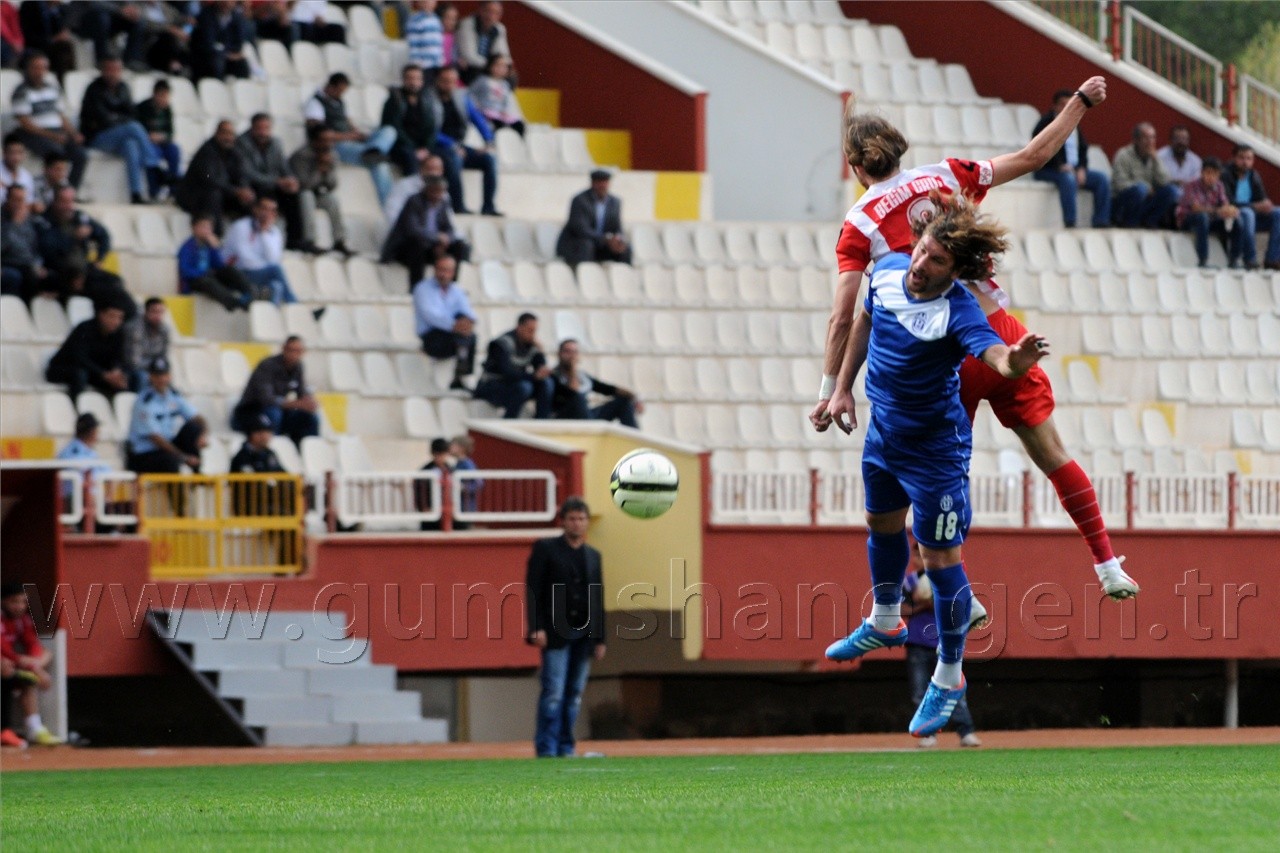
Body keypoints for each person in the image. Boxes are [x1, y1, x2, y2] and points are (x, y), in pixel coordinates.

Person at [814, 79, 1138, 604]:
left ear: (855, 167)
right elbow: (1035, 155)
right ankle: (1106, 564)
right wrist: (1079, 102)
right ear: (900, 149)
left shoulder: (859, 223)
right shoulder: (945, 174)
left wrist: (832, 387)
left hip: (944, 357)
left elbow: (843, 316)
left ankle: (959, 592)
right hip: (999, 336)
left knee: (936, 474)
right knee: (1053, 455)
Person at [823, 197, 1049, 738]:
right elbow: (865, 321)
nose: (922, 264)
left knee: (942, 561)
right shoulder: (886, 270)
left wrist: (1018, 360)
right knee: (880, 525)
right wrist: (841, 390)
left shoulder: (959, 310)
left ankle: (949, 677)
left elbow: (996, 358)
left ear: (958, 271)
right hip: (884, 435)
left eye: (938, 261)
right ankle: (884, 620)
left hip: (936, 452)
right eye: (922, 250)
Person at [525, 496, 605, 758]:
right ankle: (547, 748)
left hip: (584, 632)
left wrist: (600, 637)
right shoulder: (546, 549)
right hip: (556, 629)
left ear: (586, 523)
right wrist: (536, 627)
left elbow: (597, 596)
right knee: (554, 692)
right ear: (563, 521)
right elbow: (533, 589)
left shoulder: (593, 556)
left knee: (574, 694)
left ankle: (566, 746)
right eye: (572, 518)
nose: (577, 523)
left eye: (581, 519)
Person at [902, 552, 980, 749]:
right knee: (920, 691)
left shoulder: (946, 576)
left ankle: (966, 731)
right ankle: (928, 733)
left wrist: (936, 602)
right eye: (917, 557)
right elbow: (899, 608)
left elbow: (958, 603)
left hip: (945, 641)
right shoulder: (911, 581)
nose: (920, 560)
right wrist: (921, 605)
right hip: (918, 641)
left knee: (954, 688)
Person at [80, 55, 162, 205]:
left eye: (116, 70)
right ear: (103, 70)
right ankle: (154, 166)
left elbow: (132, 114)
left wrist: (118, 119)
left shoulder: (123, 88)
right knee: (134, 128)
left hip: (119, 135)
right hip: (97, 137)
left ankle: (135, 194)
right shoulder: (94, 89)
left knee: (131, 145)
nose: (113, 73)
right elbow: (103, 119)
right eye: (109, 69)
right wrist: (121, 120)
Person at [303, 73, 396, 205]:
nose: (341, 94)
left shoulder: (339, 101)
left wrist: (359, 135)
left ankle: (375, 150)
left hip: (352, 141)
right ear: (330, 87)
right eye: (340, 91)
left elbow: (350, 124)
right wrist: (348, 136)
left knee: (389, 131)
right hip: (336, 146)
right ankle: (389, 204)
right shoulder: (315, 103)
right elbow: (320, 135)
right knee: (380, 164)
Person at [37, 186, 133, 313]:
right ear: (55, 201)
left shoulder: (79, 217)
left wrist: (100, 258)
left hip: (84, 270)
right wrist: (73, 238)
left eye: (71, 201)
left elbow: (104, 235)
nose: (69, 206)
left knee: (114, 281)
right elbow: (48, 249)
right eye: (64, 201)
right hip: (58, 271)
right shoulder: (44, 221)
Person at [1030, 88, 1111, 228]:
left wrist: (1081, 169)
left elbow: (1082, 149)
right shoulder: (1045, 124)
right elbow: (1039, 149)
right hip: (1049, 170)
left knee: (1101, 179)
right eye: (1062, 104)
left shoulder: (1074, 122)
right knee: (1068, 179)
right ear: (1054, 106)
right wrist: (1060, 165)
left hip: (1073, 169)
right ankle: (1070, 221)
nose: (1065, 108)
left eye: (1068, 104)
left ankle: (1101, 220)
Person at [10, 51, 86, 189]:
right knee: (56, 154)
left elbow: (61, 116)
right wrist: (53, 136)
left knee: (80, 154)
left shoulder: (52, 88)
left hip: (56, 132)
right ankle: (54, 191)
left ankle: (69, 191)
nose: (39, 72)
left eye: (42, 68)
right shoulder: (21, 91)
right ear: (28, 69)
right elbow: (26, 124)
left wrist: (73, 133)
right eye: (35, 68)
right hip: (33, 134)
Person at [431, 65, 500, 216]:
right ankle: (457, 205)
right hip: (435, 146)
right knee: (455, 159)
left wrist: (488, 142)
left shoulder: (462, 98)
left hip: (458, 146)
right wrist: (452, 145)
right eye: (444, 81)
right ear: (437, 81)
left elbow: (478, 120)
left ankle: (488, 206)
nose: (448, 85)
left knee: (489, 160)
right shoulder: (429, 99)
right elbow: (430, 130)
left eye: (452, 81)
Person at [1, 581, 64, 746]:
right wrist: (26, 663)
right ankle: (3, 730)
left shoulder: (23, 620)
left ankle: (34, 728)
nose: (20, 606)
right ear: (3, 601)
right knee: (3, 665)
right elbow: (4, 648)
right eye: (15, 601)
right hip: (6, 664)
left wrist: (35, 665)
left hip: (12, 666)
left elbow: (32, 644)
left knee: (33, 671)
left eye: (23, 602)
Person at [232, 336, 321, 448]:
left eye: (298, 351)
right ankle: (272, 450)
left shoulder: (298, 367)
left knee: (310, 417)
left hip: (277, 412)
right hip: (251, 412)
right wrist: (298, 403)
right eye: (291, 350)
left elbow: (301, 393)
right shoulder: (267, 365)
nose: (294, 354)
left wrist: (309, 402)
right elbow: (266, 399)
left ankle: (308, 451)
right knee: (273, 413)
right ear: (284, 349)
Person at [383, 176, 470, 287]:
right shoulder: (414, 201)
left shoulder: (442, 203)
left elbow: (450, 229)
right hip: (407, 249)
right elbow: (413, 230)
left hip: (432, 247)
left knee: (459, 245)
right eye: (435, 191)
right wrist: (436, 238)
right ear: (427, 190)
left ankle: (450, 286)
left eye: (441, 192)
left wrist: (445, 240)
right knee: (417, 244)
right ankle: (416, 287)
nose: (438, 195)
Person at [236, 114, 306, 251]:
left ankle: (295, 240)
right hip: (251, 186)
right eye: (259, 128)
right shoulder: (241, 144)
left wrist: (291, 180)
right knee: (253, 198)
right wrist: (277, 181)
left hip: (271, 186)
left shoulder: (276, 143)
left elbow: (283, 167)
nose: (263, 132)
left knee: (293, 195)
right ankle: (253, 240)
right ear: (252, 128)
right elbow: (246, 173)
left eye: (266, 128)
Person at [126, 357, 207, 474]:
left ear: (169, 375)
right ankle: (178, 492)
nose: (162, 379)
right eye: (157, 376)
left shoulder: (173, 396)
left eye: (164, 375)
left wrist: (203, 435)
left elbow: (197, 418)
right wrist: (183, 457)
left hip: (165, 448)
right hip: (144, 454)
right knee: (170, 460)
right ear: (151, 377)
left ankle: (198, 475)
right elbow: (156, 439)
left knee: (193, 429)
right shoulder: (143, 402)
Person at [177, 121, 254, 235]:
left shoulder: (235, 152)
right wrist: (236, 191)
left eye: (231, 134)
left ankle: (249, 236)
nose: (228, 137)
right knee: (214, 195)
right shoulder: (207, 151)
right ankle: (217, 235)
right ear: (217, 133)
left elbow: (241, 175)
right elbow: (210, 179)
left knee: (250, 198)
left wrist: (244, 189)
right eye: (225, 133)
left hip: (223, 194)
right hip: (196, 196)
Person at [44, 298, 129, 400]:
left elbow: (118, 357)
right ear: (101, 314)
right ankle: (77, 408)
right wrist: (103, 374)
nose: (116, 321)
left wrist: (116, 371)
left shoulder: (118, 334)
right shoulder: (84, 328)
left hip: (94, 372)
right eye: (112, 316)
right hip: (64, 368)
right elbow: (79, 358)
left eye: (119, 317)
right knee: (80, 375)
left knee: (124, 379)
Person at [412, 255, 476, 390]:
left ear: (453, 272)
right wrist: (454, 326)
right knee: (464, 338)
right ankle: (459, 375)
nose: (443, 274)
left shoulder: (457, 291)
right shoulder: (422, 289)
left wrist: (466, 323)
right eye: (441, 269)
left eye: (447, 270)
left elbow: (468, 312)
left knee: (470, 336)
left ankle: (461, 376)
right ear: (435, 270)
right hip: (432, 336)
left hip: (453, 334)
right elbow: (430, 316)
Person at [223, 196, 301, 306]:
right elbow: (245, 260)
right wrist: (267, 269)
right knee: (275, 270)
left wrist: (264, 233)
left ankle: (273, 319)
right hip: (236, 273)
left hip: (258, 275)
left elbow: (273, 259)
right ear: (256, 209)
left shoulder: (274, 232)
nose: (268, 213)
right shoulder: (241, 227)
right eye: (265, 208)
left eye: (272, 210)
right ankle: (295, 306)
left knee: (276, 286)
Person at [474, 312, 553, 419]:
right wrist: (533, 377)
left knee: (547, 383)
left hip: (515, 386)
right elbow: (506, 372)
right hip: (492, 386)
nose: (533, 334)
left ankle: (541, 421)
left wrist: (540, 353)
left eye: (534, 331)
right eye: (530, 330)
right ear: (519, 327)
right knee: (525, 387)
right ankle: (509, 420)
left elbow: (540, 370)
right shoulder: (501, 344)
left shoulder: (531, 345)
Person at [289, 125, 351, 257]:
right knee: (307, 196)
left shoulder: (332, 155)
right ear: (315, 141)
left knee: (332, 200)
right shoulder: (301, 155)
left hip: (316, 192)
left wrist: (327, 170)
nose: (328, 144)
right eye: (325, 140)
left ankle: (339, 240)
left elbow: (332, 185)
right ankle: (309, 240)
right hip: (296, 196)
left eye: (331, 140)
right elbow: (303, 184)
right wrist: (319, 168)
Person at [551, 338, 642, 428]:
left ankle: (637, 440)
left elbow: (608, 389)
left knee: (624, 402)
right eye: (567, 352)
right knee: (579, 398)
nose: (572, 356)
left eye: (575, 352)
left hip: (587, 418)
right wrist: (572, 369)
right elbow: (574, 392)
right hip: (565, 418)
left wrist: (634, 397)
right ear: (559, 354)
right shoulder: (553, 376)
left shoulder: (583, 377)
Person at [177, 214, 257, 311]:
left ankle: (250, 292)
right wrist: (203, 273)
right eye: (203, 226)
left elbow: (219, 265)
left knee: (229, 270)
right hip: (195, 281)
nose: (207, 230)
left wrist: (215, 248)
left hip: (209, 276)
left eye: (209, 227)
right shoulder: (187, 247)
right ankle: (233, 303)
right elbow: (185, 271)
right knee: (207, 281)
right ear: (194, 227)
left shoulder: (208, 245)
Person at [1222, 144, 1280, 271]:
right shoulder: (1225, 174)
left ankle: (1272, 259)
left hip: (1254, 215)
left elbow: (1261, 197)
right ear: (1234, 158)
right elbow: (1227, 201)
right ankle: (1250, 259)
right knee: (1248, 213)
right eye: (1241, 158)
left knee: (1278, 213)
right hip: (1233, 216)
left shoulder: (1254, 175)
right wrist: (1255, 206)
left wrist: (1266, 204)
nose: (1245, 162)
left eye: (1249, 159)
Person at [556, 170, 631, 266]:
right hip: (577, 245)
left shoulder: (615, 202)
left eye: (605, 182)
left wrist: (617, 239)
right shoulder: (580, 200)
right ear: (593, 183)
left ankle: (624, 278)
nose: (603, 186)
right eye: (600, 182)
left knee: (624, 248)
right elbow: (580, 229)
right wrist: (606, 239)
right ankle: (585, 276)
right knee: (587, 245)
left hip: (601, 245)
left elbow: (617, 227)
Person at [1176, 157, 1240, 268]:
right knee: (1202, 217)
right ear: (1202, 172)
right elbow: (1195, 208)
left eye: (1215, 174)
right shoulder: (1191, 185)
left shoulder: (1219, 186)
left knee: (1237, 221)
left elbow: (1224, 204)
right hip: (1188, 220)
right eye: (1208, 173)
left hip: (1209, 220)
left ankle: (1234, 260)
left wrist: (1229, 211)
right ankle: (1203, 260)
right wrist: (1218, 211)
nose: (1211, 177)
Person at [1110, 122, 1177, 228]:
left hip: (1145, 200)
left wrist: (1156, 160)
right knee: (1140, 190)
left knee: (1172, 191)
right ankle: (1129, 222)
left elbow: (1164, 182)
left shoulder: (1155, 157)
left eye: (1153, 138)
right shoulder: (1123, 155)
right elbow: (1119, 183)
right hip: (1124, 202)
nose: (1150, 142)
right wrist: (1145, 188)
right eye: (1146, 138)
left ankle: (1150, 221)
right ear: (1136, 140)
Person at [381, 63, 441, 177]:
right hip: (401, 147)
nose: (413, 82)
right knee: (410, 157)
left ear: (422, 81)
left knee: (449, 157)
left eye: (417, 78)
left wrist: (426, 148)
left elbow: (432, 127)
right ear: (403, 80)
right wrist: (414, 149)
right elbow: (394, 127)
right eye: (409, 78)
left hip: (422, 147)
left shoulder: (427, 100)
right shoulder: (394, 100)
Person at [135, 80, 182, 200]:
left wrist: (162, 137)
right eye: (162, 95)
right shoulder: (142, 108)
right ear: (155, 94)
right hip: (147, 143)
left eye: (166, 96)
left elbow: (170, 132)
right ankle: (154, 191)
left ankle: (174, 190)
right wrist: (149, 136)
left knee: (174, 150)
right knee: (151, 154)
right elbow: (139, 130)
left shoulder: (167, 110)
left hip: (163, 143)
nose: (164, 99)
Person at [1, 186, 50, 301]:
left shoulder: (27, 220)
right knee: (15, 276)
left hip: (27, 264)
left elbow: (33, 247)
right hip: (7, 262)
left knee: (48, 276)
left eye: (22, 200)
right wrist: (14, 225)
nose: (19, 204)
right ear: (8, 199)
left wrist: (38, 263)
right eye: (16, 200)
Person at [191, 0, 251, 81]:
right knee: (217, 61)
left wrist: (229, 53)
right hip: (206, 56)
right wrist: (225, 53)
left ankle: (242, 90)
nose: (226, 3)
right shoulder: (206, 15)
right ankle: (216, 87)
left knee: (242, 63)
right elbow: (208, 43)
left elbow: (238, 44)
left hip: (228, 55)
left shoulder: (237, 18)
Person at [456, 0, 511, 85]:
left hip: (489, 67)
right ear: (480, 10)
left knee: (511, 77)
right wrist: (492, 67)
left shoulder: (499, 29)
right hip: (468, 68)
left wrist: (504, 67)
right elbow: (469, 56)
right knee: (475, 73)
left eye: (496, 13)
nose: (491, 16)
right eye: (489, 11)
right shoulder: (467, 24)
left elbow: (503, 54)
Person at [469, 54, 524, 137]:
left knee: (519, 125)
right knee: (497, 126)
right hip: (486, 112)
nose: (501, 69)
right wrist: (477, 107)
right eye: (498, 65)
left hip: (500, 113)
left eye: (504, 66)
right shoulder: (482, 80)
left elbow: (506, 101)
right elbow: (470, 95)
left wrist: (505, 111)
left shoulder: (505, 84)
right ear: (490, 66)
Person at [123, 297, 171, 392]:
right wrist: (154, 368)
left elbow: (164, 357)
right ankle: (143, 405)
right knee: (144, 378)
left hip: (154, 370)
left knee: (170, 384)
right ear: (146, 312)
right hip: (131, 370)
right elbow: (134, 362)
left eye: (161, 312)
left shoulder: (164, 330)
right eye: (154, 312)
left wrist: (161, 372)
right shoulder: (135, 329)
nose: (158, 316)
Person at [385, 153, 447, 225]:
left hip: (431, 234)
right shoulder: (404, 185)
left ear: (442, 172)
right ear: (421, 169)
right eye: (429, 169)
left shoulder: (443, 192)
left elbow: (448, 220)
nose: (433, 173)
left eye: (437, 170)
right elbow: (391, 212)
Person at [417, 436, 454, 531]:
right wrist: (424, 508)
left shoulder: (452, 470)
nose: (441, 458)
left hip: (448, 513)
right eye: (438, 454)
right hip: (431, 512)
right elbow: (419, 491)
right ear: (433, 454)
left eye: (443, 454)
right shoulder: (424, 471)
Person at [1155, 125, 1201, 199]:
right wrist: (1173, 183)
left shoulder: (1196, 161)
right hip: (1164, 198)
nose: (1181, 142)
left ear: (1188, 141)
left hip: (1188, 201)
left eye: (1184, 139)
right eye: (1177, 138)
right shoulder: (1160, 156)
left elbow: (1197, 185)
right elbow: (1156, 180)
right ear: (1170, 140)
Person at [405, 0, 445, 81]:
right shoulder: (415, 20)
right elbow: (413, 44)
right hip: (423, 65)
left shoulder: (436, 19)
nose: (428, 3)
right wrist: (416, 64)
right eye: (424, 1)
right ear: (419, 2)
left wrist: (441, 60)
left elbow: (439, 44)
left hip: (437, 64)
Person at [0, 133, 36, 207]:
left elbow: (29, 201)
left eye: (19, 152)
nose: (16, 157)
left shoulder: (26, 176)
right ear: (4, 152)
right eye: (12, 153)